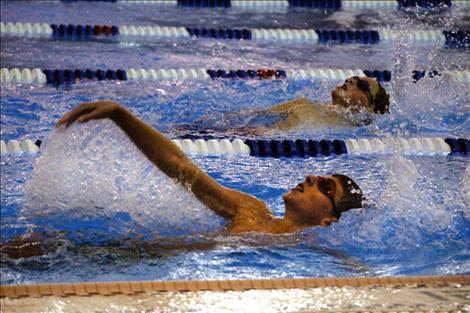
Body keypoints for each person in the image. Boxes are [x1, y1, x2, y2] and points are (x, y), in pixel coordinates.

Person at [178, 76, 390, 134]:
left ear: (369, 108)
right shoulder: (306, 104)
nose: (352, 80)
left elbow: (264, 135)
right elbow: (250, 115)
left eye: (362, 85)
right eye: (355, 77)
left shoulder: (336, 129)